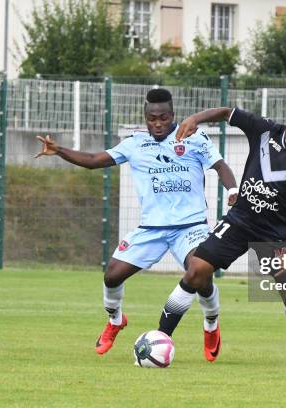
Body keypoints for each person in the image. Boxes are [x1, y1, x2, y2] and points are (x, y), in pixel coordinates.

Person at [35, 89, 238, 360]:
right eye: (151, 118)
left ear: (172, 116)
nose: (157, 123)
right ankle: (116, 320)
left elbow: (221, 166)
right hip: (151, 229)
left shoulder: (194, 138)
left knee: (200, 273)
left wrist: (233, 190)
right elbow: (95, 161)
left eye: (163, 118)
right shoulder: (135, 144)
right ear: (145, 117)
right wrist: (59, 150)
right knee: (112, 275)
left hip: (190, 226)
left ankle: (211, 323)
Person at [157, 100, 286, 367]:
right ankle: (159, 341)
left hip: (274, 233)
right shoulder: (264, 131)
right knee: (196, 270)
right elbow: (226, 112)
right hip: (239, 221)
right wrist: (195, 119)